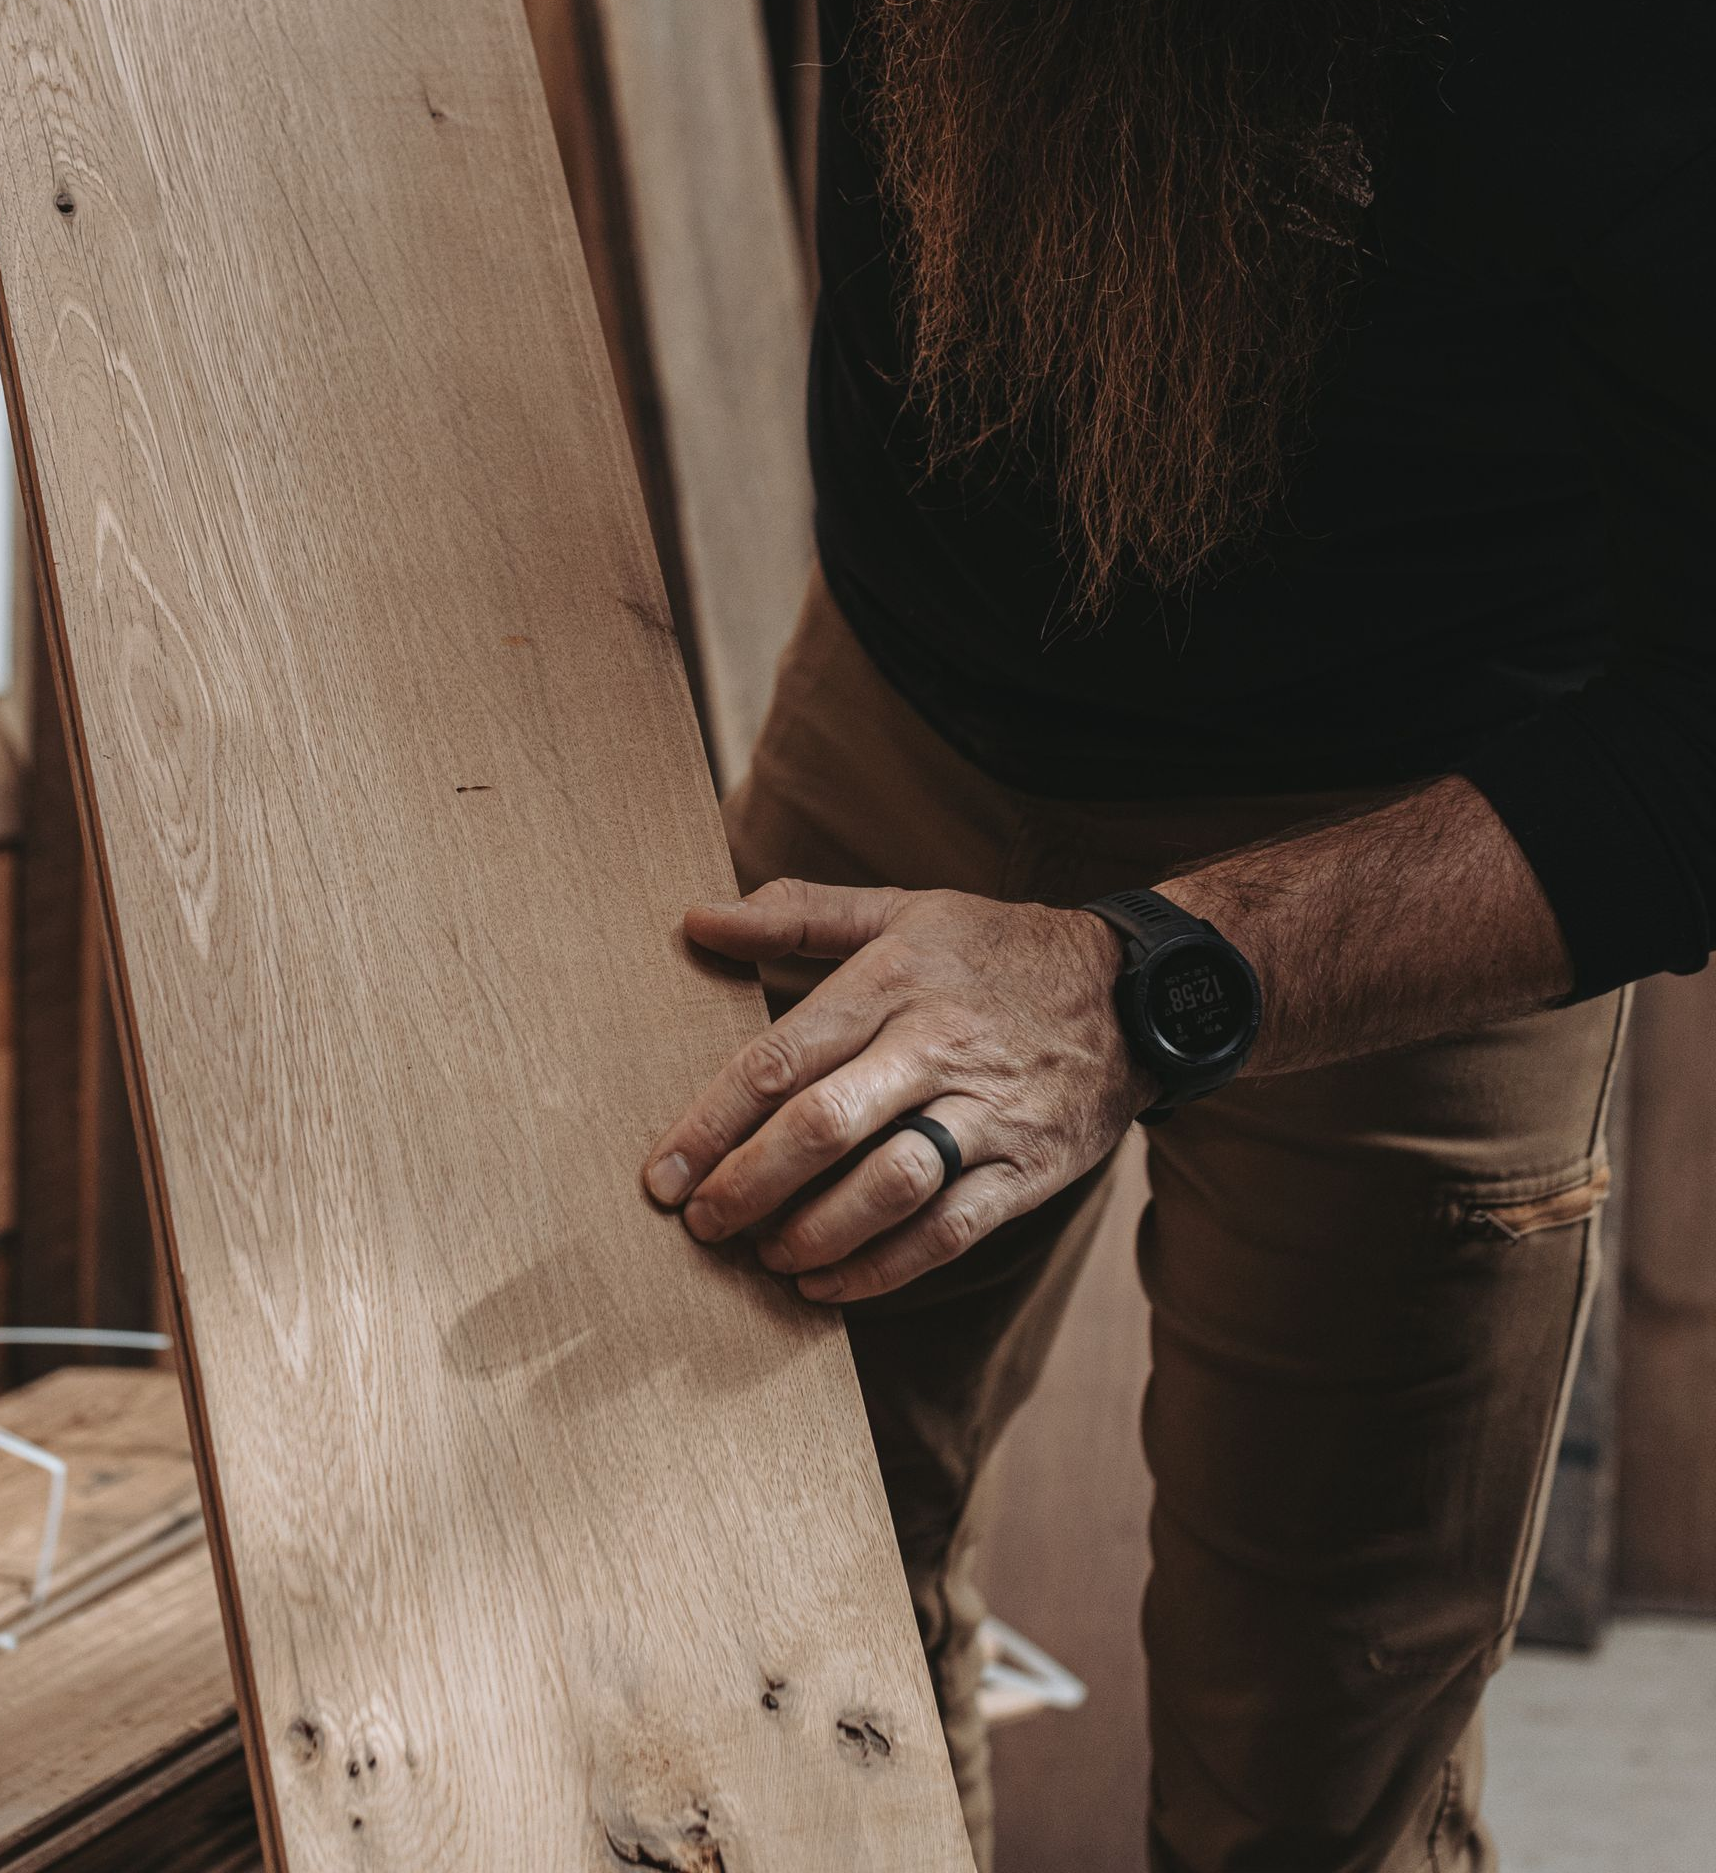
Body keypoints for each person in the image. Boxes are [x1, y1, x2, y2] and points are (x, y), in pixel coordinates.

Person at [640, 2, 1715, 1869]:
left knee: (1312, 1771)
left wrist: (1147, 983)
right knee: (775, 1604)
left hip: (1419, 838)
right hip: (901, 703)